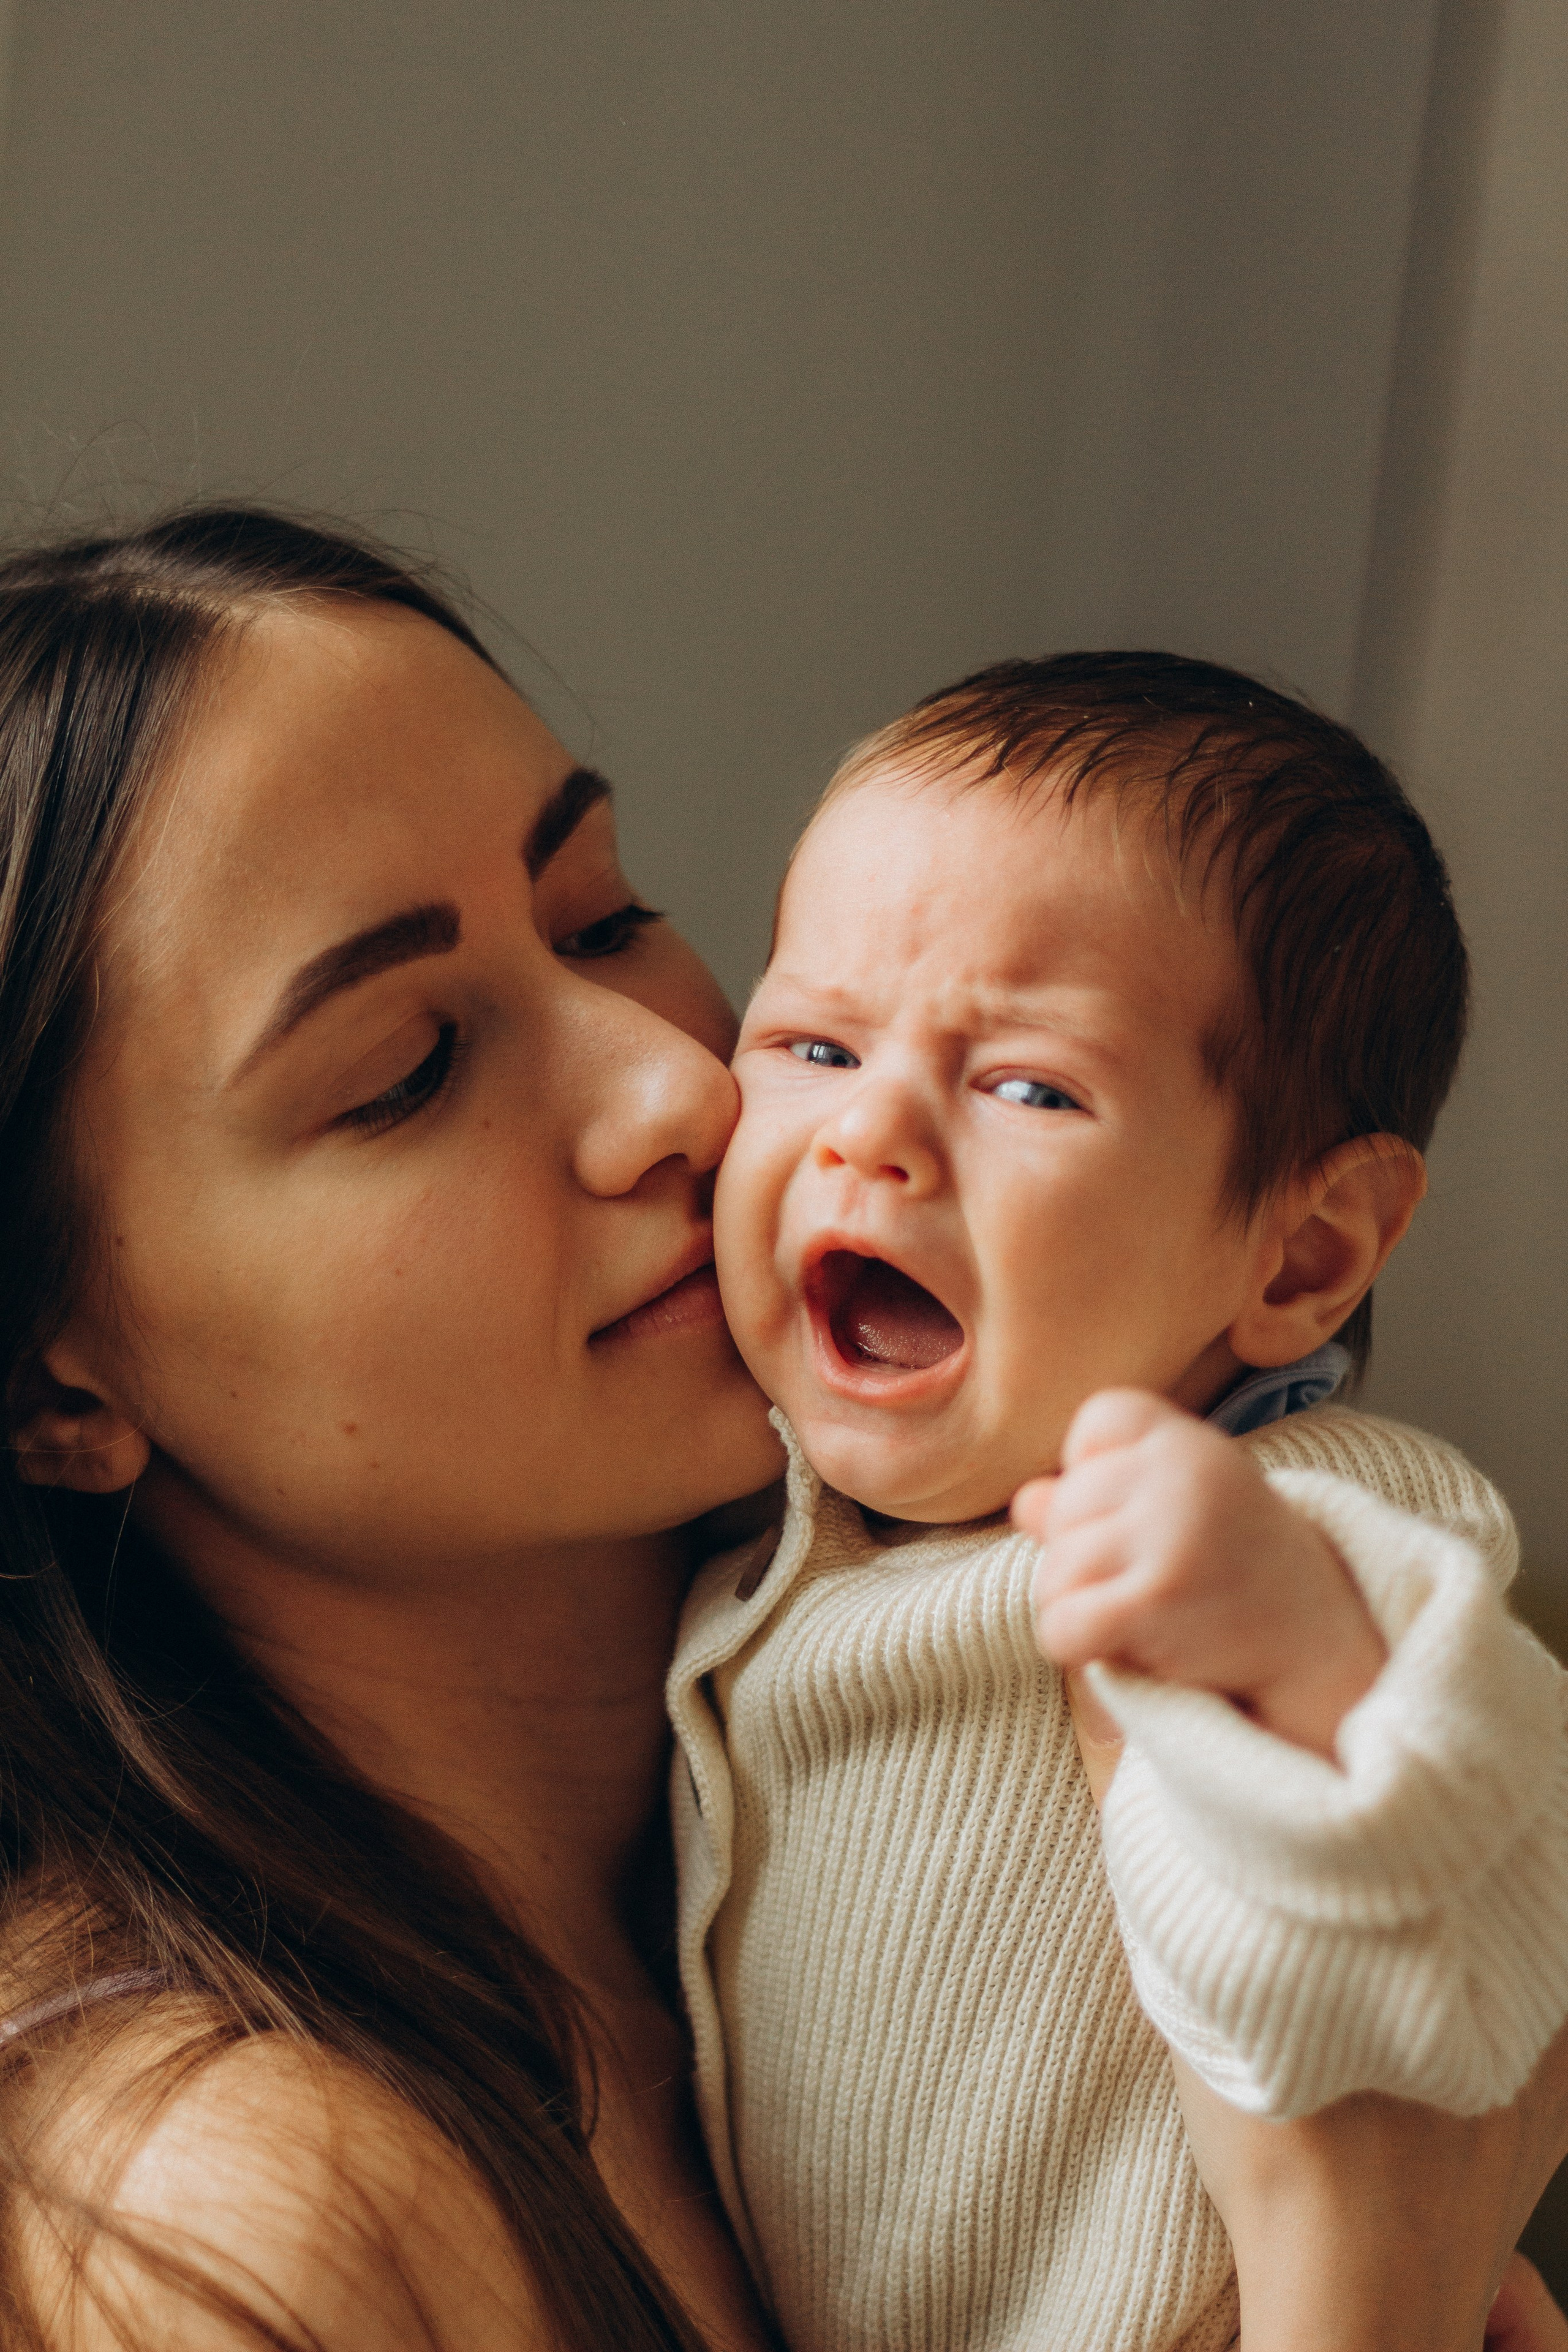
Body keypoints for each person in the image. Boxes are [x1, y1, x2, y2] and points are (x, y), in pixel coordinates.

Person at [0, 511, 1560, 2351]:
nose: (681, 1087)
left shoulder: (911, 1682)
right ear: (52, 1383)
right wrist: (1356, 2272)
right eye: (410, 1070)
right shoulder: (232, 2221)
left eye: (606, 918)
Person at [674, 654, 1568, 2351]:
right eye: (810, 1040)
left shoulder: (1287, 1513)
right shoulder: (765, 1514)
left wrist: (1298, 1651)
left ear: (1299, 1256)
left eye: (1028, 1087)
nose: (871, 1133)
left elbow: (1502, 1843)